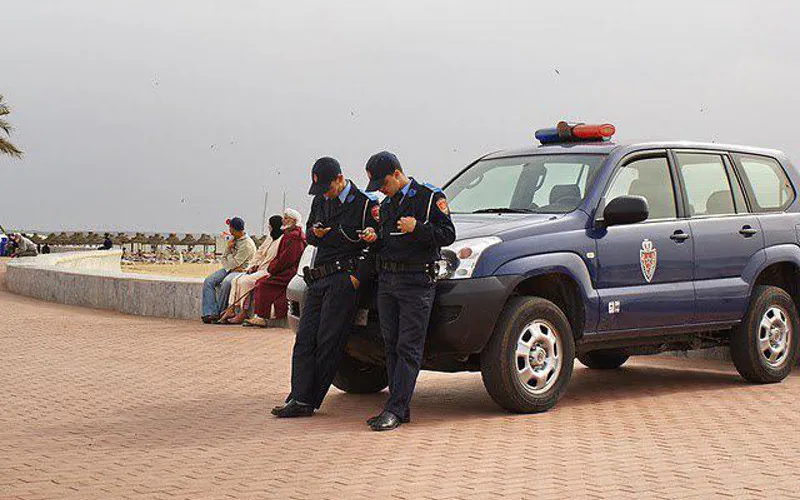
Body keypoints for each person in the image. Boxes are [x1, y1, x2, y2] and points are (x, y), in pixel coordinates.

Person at [271, 157, 379, 418]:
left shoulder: (365, 204)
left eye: (328, 188)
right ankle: (298, 394)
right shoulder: (321, 200)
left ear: (340, 179)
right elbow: (309, 231)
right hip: (319, 277)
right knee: (304, 339)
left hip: (344, 279)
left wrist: (357, 278)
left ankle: (308, 400)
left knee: (329, 341)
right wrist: (316, 233)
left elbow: (376, 244)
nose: (325, 194)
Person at [360, 151, 456, 431]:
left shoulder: (428, 197)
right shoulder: (387, 205)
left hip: (416, 282)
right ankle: (399, 407)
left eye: (383, 183)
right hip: (388, 281)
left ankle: (395, 408)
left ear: (397, 174)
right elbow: (387, 241)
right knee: (390, 345)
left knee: (408, 347)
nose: (380, 189)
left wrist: (419, 228)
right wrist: (374, 238)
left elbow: (448, 234)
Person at [218, 214, 286, 325]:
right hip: (258, 268)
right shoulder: (270, 238)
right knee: (235, 280)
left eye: (270, 225)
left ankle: (243, 312)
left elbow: (231, 263)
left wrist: (229, 259)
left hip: (267, 270)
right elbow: (259, 253)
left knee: (244, 281)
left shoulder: (281, 240)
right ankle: (231, 309)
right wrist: (252, 266)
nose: (268, 227)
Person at [245, 208, 307, 327]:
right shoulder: (290, 235)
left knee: (262, 284)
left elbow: (286, 259)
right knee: (261, 282)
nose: (283, 221)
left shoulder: (294, 237)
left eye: (286, 218)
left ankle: (262, 317)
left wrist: (272, 268)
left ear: (293, 221)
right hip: (284, 270)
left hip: (289, 272)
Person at [201, 217, 257, 324]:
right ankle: (210, 312)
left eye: (230, 228)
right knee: (209, 281)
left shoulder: (247, 245)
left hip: (241, 271)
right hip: (230, 269)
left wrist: (230, 255)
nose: (229, 230)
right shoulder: (232, 240)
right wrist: (228, 248)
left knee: (226, 283)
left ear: (235, 230)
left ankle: (220, 312)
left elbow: (234, 263)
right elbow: (223, 259)